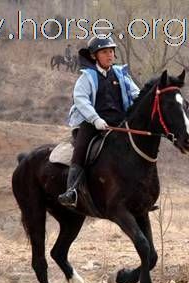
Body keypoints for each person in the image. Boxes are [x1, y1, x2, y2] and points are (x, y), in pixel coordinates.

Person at [58, 35, 140, 208]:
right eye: (104, 52)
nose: (109, 55)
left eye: (111, 51)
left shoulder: (121, 74)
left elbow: (136, 94)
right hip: (92, 122)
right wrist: (95, 119)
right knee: (81, 148)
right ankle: (71, 190)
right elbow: (80, 99)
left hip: (119, 122)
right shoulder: (86, 77)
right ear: (94, 55)